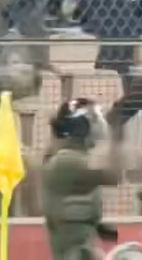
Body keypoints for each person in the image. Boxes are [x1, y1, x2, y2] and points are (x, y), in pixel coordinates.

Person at [43, 97, 124, 260]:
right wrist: (117, 135)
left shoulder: (72, 158)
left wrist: (97, 227)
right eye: (92, 122)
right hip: (74, 251)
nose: (97, 127)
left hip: (80, 246)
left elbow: (75, 202)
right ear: (79, 127)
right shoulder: (67, 160)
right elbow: (112, 176)